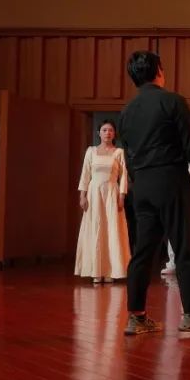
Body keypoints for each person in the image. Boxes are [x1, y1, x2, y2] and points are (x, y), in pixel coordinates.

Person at [118, 50, 190, 336]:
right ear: (159, 71)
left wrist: (138, 182)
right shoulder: (173, 101)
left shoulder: (126, 111)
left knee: (142, 251)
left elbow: (127, 154)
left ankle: (136, 317)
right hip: (170, 179)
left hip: (142, 184)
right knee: (185, 246)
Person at [74, 119, 131, 284]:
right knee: (96, 228)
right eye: (105, 130)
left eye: (111, 130)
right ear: (98, 133)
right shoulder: (91, 151)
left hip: (112, 193)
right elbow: (85, 174)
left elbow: (124, 176)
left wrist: (122, 196)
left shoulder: (119, 152)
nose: (108, 133)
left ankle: (111, 270)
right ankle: (96, 270)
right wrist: (82, 195)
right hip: (94, 194)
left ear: (114, 134)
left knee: (111, 228)